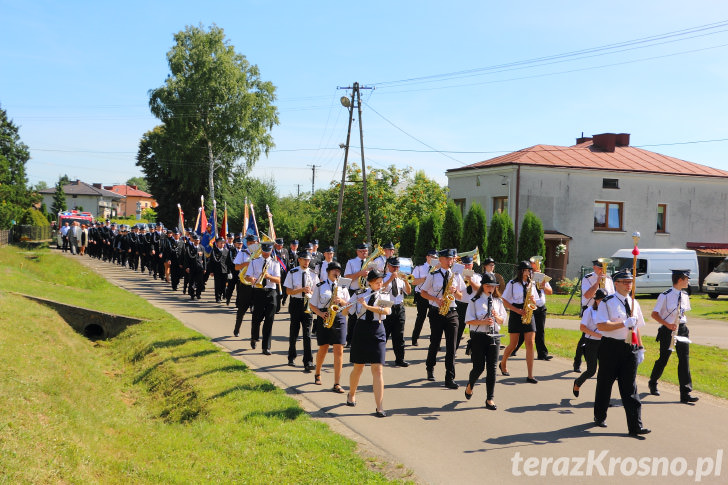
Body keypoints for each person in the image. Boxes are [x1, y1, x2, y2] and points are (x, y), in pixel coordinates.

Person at [593, 269, 650, 436]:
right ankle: (600, 416)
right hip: (610, 347)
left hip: (629, 348)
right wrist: (623, 323)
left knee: (630, 388)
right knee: (605, 383)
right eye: (625, 282)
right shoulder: (607, 302)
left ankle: (635, 426)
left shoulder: (634, 303)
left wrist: (640, 347)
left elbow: (636, 328)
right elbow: (602, 326)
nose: (628, 285)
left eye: (630, 282)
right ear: (616, 283)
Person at [648, 269, 698, 403]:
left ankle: (685, 393)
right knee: (664, 358)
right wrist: (668, 324)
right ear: (680, 279)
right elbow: (654, 314)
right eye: (687, 279)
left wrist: (681, 326)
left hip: (681, 329)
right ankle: (653, 382)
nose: (688, 281)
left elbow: (683, 313)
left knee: (684, 359)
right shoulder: (665, 295)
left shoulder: (685, 295)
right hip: (668, 330)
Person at [347, 270, 392, 417]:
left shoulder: (384, 294)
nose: (380, 285)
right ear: (370, 282)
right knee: (358, 367)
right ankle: (351, 394)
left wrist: (367, 307)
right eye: (378, 282)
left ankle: (379, 406)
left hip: (377, 330)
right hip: (361, 330)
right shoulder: (360, 293)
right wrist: (343, 304)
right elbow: (347, 312)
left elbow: (386, 311)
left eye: (381, 282)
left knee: (378, 369)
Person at [420, 248, 465, 389]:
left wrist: (455, 291)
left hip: (452, 312)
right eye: (447, 258)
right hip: (436, 311)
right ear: (440, 259)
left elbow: (461, 296)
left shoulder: (456, 275)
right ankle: (430, 367)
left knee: (451, 346)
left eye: (451, 259)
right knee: (435, 342)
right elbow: (423, 293)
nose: (450, 261)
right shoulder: (433, 275)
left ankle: (449, 378)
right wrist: (435, 299)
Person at [463, 272, 506, 410]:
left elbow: (502, 321)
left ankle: (490, 399)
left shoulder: (498, 301)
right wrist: (482, 321)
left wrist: (496, 316)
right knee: (479, 367)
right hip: (479, 336)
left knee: (492, 368)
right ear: (483, 286)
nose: (491, 288)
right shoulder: (475, 300)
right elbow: (468, 320)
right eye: (488, 286)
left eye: (493, 286)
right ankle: (470, 385)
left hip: (494, 336)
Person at [499, 260, 543, 383]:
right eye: (527, 270)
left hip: (529, 313)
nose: (529, 272)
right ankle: (503, 363)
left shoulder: (532, 284)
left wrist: (533, 300)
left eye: (530, 270)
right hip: (516, 313)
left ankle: (530, 375)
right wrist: (516, 310)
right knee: (513, 344)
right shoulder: (512, 283)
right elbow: (505, 300)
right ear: (521, 271)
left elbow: (537, 302)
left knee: (530, 343)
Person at [310, 261, 350, 391]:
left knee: (339, 350)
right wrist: (321, 314)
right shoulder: (320, 286)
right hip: (325, 317)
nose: (337, 273)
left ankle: (337, 383)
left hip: (339, 317)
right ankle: (317, 373)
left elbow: (348, 307)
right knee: (323, 348)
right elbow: (312, 305)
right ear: (328, 272)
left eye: (339, 271)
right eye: (334, 270)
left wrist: (342, 301)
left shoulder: (343, 287)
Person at [575, 259, 615, 372]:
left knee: (604, 336)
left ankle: (603, 364)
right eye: (600, 267)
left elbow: (612, 296)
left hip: (604, 310)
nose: (603, 270)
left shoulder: (609, 279)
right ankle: (577, 362)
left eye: (604, 267)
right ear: (594, 267)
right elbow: (587, 295)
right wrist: (597, 282)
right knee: (585, 337)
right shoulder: (587, 278)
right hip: (590, 308)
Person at [283, 250, 318, 371]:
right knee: (294, 331)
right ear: (299, 260)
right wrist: (301, 290)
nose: (307, 262)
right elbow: (288, 291)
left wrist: (310, 293)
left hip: (308, 304)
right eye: (304, 260)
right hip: (296, 303)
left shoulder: (313, 274)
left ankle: (308, 361)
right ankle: (291, 356)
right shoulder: (293, 273)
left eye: (308, 260)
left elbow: (316, 291)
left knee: (307, 334)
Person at [514, 257, 553, 360]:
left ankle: (542, 354)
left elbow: (550, 292)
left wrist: (543, 285)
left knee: (540, 331)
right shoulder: (527, 276)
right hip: (531, 306)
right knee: (525, 331)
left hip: (541, 307)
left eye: (538, 264)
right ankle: (513, 348)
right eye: (534, 264)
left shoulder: (542, 276)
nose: (536, 265)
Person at [246, 241, 282, 354]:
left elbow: (278, 280)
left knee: (269, 320)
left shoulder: (275, 263)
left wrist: (269, 276)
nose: (266, 253)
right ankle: (254, 337)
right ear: (261, 250)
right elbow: (247, 276)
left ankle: (266, 347)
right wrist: (251, 279)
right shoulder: (254, 262)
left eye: (268, 251)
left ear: (271, 250)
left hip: (271, 292)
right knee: (256, 318)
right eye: (265, 251)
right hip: (258, 291)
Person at [572, 289, 605, 398]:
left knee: (605, 372)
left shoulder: (608, 312)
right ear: (596, 300)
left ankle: (602, 398)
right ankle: (578, 383)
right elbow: (582, 327)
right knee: (591, 371)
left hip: (604, 344)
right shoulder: (589, 311)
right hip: (591, 343)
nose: (603, 302)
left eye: (605, 300)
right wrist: (597, 335)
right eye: (601, 300)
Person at [382, 257, 411, 367]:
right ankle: (378, 357)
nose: (396, 269)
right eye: (394, 266)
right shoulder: (383, 278)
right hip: (387, 307)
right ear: (388, 266)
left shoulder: (400, 278)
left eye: (397, 267)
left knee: (399, 335)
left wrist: (406, 281)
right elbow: (380, 289)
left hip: (399, 307)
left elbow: (408, 292)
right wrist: (390, 279)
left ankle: (400, 359)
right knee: (383, 334)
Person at [344, 243, 371, 346]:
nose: (364, 253)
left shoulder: (370, 263)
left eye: (366, 251)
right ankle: (350, 340)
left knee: (365, 315)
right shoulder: (351, 262)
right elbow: (347, 277)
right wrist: (360, 273)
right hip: (354, 290)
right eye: (362, 251)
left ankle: (363, 339)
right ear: (357, 252)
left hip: (366, 291)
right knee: (353, 316)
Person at [232, 234, 257, 337]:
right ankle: (237, 329)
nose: (252, 245)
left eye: (254, 243)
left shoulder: (259, 254)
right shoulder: (242, 253)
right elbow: (236, 267)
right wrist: (245, 264)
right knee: (242, 309)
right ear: (247, 243)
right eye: (250, 243)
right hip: (244, 284)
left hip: (256, 285)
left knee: (256, 312)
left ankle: (254, 335)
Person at [410, 249, 437, 346]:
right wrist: (425, 279)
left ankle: (434, 342)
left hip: (432, 295)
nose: (433, 259)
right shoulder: (420, 268)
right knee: (421, 317)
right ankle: (414, 338)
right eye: (432, 257)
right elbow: (413, 282)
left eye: (435, 257)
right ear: (427, 257)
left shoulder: (438, 269)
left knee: (433, 319)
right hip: (421, 295)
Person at [455, 255, 481, 350]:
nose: (467, 266)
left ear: (472, 265)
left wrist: (470, 281)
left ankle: (473, 351)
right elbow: (456, 291)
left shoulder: (477, 277)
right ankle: (453, 351)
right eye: (465, 264)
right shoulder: (457, 276)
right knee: (458, 329)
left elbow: (480, 290)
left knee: (473, 330)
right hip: (461, 305)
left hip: (473, 306)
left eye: (469, 264)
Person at [184, 233, 206, 300]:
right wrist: (187, 267)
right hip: (192, 267)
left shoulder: (202, 248)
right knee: (191, 281)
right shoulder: (189, 248)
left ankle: (198, 294)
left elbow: (204, 259)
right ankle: (192, 294)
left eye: (198, 240)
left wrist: (204, 268)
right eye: (196, 240)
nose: (197, 241)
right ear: (193, 240)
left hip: (199, 268)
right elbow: (187, 258)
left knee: (200, 282)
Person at [209, 237, 230, 303]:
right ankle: (217, 297)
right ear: (217, 243)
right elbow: (211, 262)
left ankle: (222, 294)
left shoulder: (226, 251)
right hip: (217, 270)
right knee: (217, 284)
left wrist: (229, 271)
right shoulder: (214, 251)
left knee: (223, 285)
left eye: (223, 243)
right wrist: (211, 271)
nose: (222, 244)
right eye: (221, 243)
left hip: (224, 270)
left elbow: (228, 262)